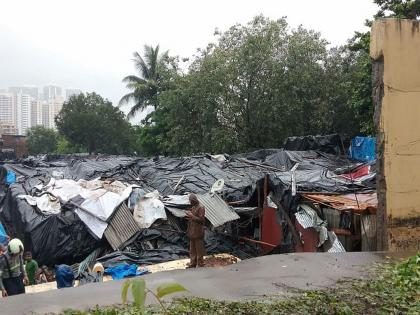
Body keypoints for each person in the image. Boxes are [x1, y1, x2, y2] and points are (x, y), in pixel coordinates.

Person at [186, 194, 206, 268]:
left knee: (199, 249)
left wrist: (191, 215)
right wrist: (189, 216)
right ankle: (193, 263)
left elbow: (201, 220)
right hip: (192, 231)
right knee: (192, 249)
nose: (190, 202)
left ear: (194, 200)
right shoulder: (194, 207)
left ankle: (200, 263)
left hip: (198, 232)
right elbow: (193, 218)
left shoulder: (201, 207)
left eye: (190, 201)